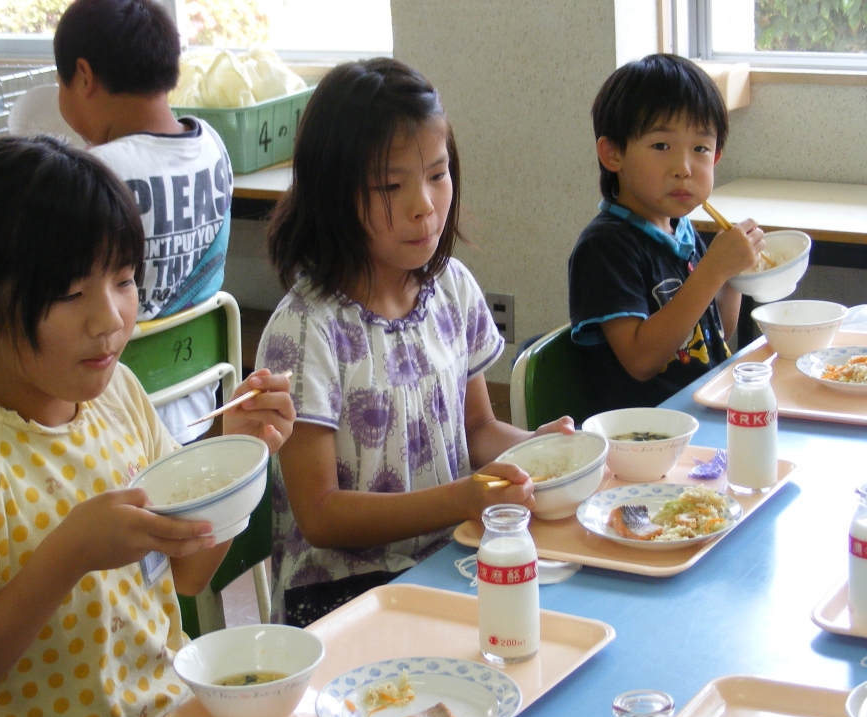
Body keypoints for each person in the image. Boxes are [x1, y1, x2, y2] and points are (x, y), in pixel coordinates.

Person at [0, 136, 294, 717]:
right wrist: (69, 555)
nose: (109, 319)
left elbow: (185, 575)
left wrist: (237, 452)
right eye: (70, 294)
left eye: (124, 280)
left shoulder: (119, 396)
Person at [256, 58, 573, 628]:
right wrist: (463, 498)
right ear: (333, 193)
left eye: (437, 174)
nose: (424, 203)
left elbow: (479, 429)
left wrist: (537, 454)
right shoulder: (305, 330)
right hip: (344, 600)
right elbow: (320, 515)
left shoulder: (450, 287)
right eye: (390, 185)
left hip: (447, 562)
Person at [54, 0, 233, 445]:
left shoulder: (94, 174)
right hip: (197, 398)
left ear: (84, 77)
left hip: (109, 416)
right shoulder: (212, 146)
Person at [568, 53, 765, 411]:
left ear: (716, 157)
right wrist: (714, 270)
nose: (684, 168)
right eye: (661, 146)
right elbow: (641, 359)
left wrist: (735, 277)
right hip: (647, 431)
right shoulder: (605, 247)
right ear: (613, 154)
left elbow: (717, 332)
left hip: (702, 409)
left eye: (700, 148)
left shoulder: (680, 230)